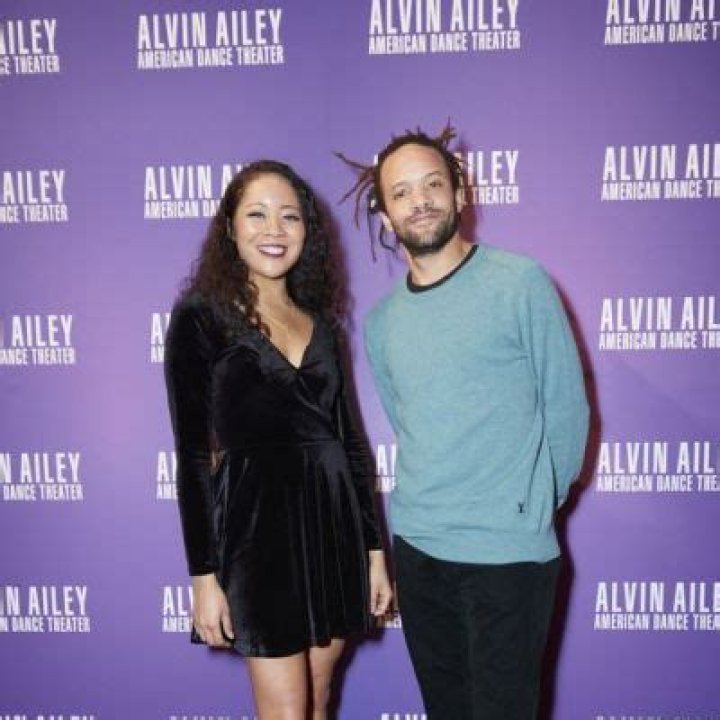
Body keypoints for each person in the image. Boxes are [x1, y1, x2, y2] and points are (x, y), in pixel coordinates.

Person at [338, 127, 589, 719]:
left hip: (508, 554)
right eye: (401, 193)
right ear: (385, 216)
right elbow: (409, 422)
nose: (419, 201)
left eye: (432, 184)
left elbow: (567, 410)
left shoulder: (520, 283)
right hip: (420, 550)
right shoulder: (381, 323)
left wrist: (527, 506)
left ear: (460, 193)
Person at [164, 160, 392, 720]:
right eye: (257, 214)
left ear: (306, 232)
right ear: (230, 227)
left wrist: (373, 552)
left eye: (290, 217)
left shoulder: (324, 324)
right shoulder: (200, 317)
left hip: (333, 528)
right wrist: (204, 577)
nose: (274, 230)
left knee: (319, 700)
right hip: (257, 536)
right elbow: (192, 456)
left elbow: (351, 442)